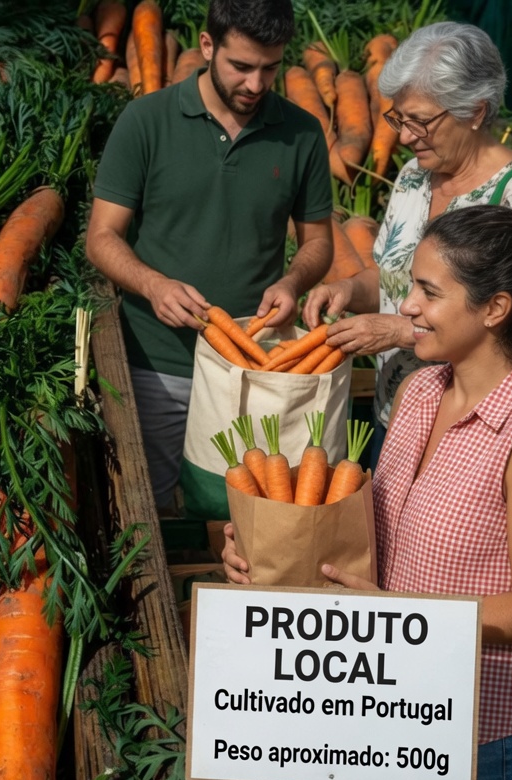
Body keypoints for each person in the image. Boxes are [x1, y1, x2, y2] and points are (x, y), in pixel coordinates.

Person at [226, 205, 512, 780]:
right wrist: (270, 546)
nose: (406, 308)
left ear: (494, 309)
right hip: (392, 713)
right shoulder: (424, 392)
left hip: (483, 733)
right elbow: (368, 529)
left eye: (429, 292)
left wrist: (401, 621)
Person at [85, 0, 333, 513]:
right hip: (156, 361)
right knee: (149, 510)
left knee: (240, 513)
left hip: (251, 367)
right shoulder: (146, 120)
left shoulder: (303, 133)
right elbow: (102, 237)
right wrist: (154, 285)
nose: (256, 84)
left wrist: (292, 282)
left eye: (270, 68)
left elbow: (318, 243)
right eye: (240, 67)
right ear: (206, 47)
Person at [303, 22, 512, 465]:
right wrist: (349, 290)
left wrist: (400, 332)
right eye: (398, 118)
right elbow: (392, 278)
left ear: (476, 111)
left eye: (420, 121)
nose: (405, 136)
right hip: (397, 414)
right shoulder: (411, 178)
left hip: (471, 433)